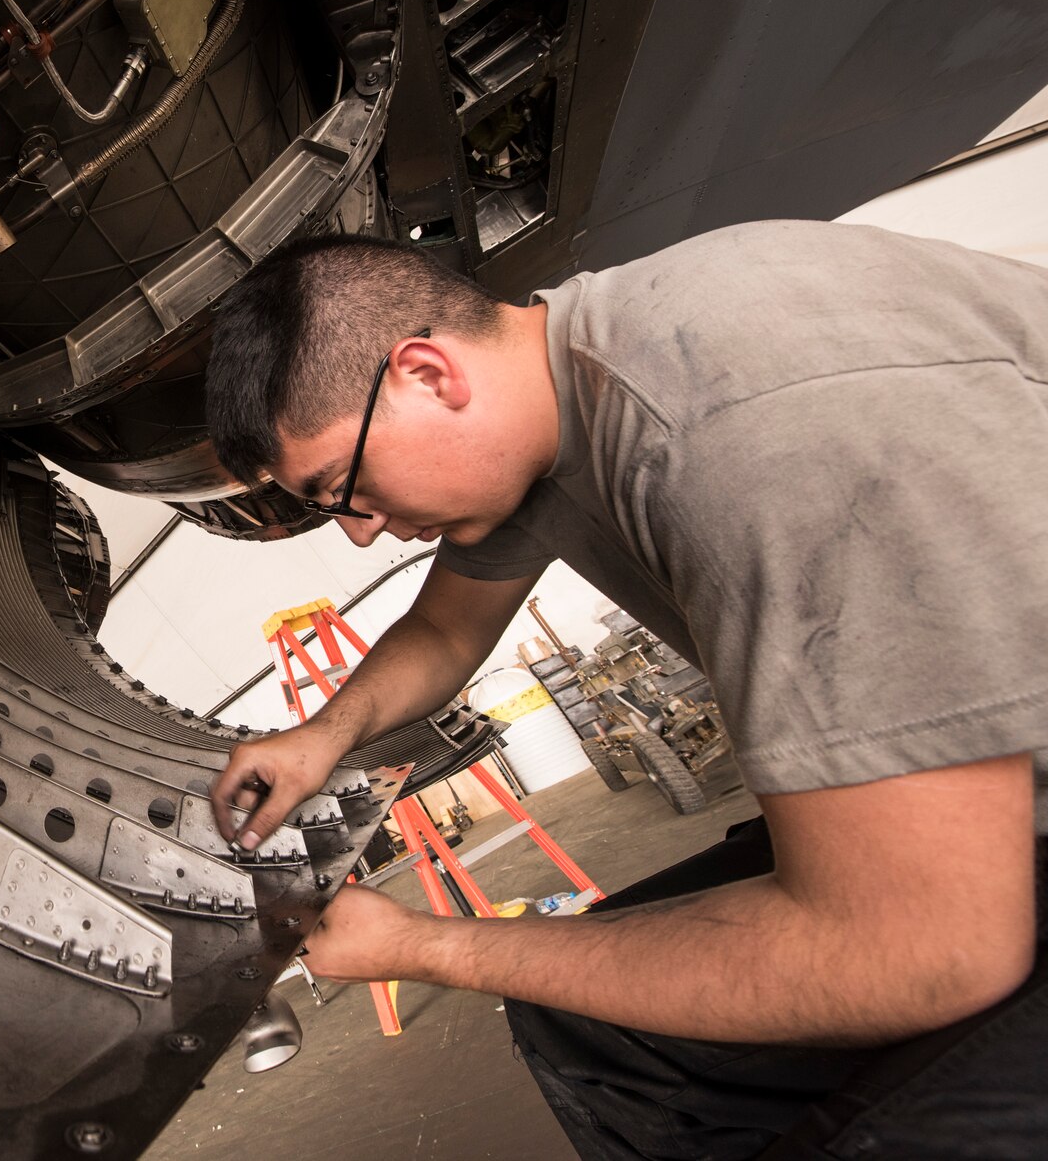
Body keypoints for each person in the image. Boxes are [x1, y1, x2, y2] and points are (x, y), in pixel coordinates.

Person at [201, 220, 1047, 1159]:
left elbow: (917, 952)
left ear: (426, 375)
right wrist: (323, 734)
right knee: (586, 1023)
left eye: (342, 487)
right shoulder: (563, 386)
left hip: (973, 882)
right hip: (987, 795)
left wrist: (427, 947)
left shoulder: (746, 434)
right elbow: (444, 627)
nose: (358, 532)